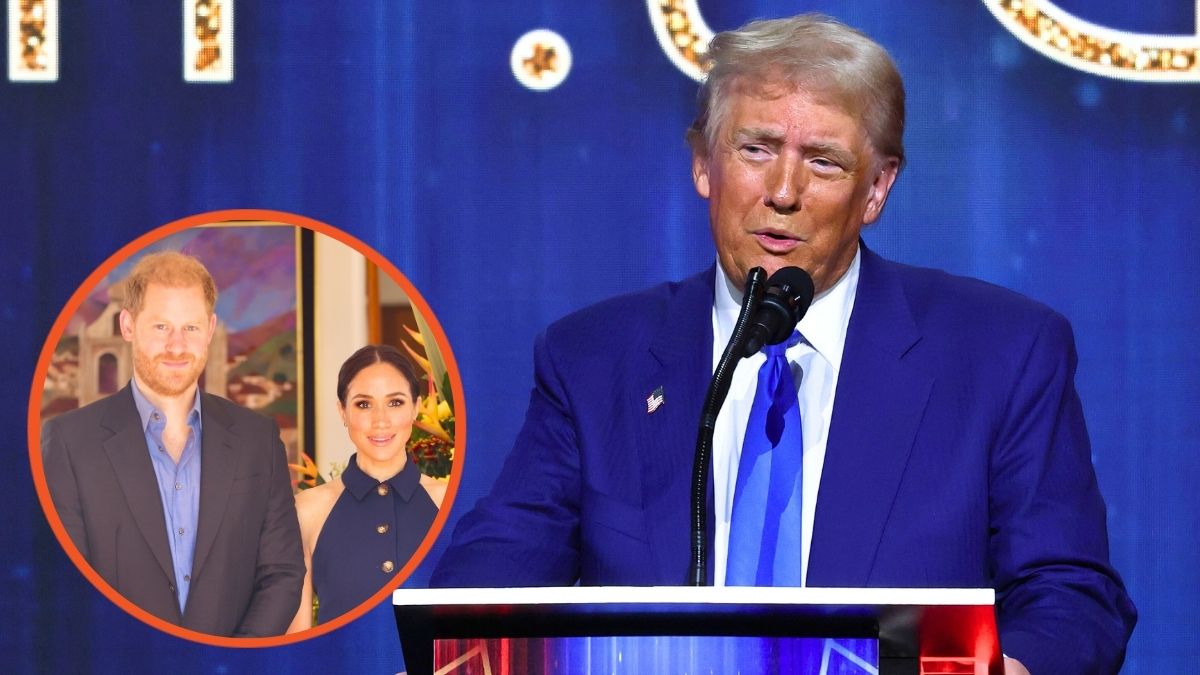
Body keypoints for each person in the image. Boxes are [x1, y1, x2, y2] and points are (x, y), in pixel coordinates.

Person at [431, 13, 1136, 674]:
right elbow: (498, 566)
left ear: (877, 189)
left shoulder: (1001, 353)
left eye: (824, 162)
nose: (783, 191)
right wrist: (452, 651)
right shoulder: (593, 358)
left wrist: (1015, 667)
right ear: (704, 163)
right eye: (756, 149)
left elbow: (1069, 591)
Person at [41, 251, 304, 637]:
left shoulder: (258, 440)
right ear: (128, 325)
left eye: (191, 328)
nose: (177, 346)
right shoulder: (68, 442)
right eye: (161, 326)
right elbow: (62, 590)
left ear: (211, 328)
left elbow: (282, 574)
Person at [287, 345, 443, 632]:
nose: (380, 420)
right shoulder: (307, 510)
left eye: (395, 402)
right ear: (342, 411)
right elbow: (296, 641)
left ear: (416, 407)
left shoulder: (449, 503)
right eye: (363, 404)